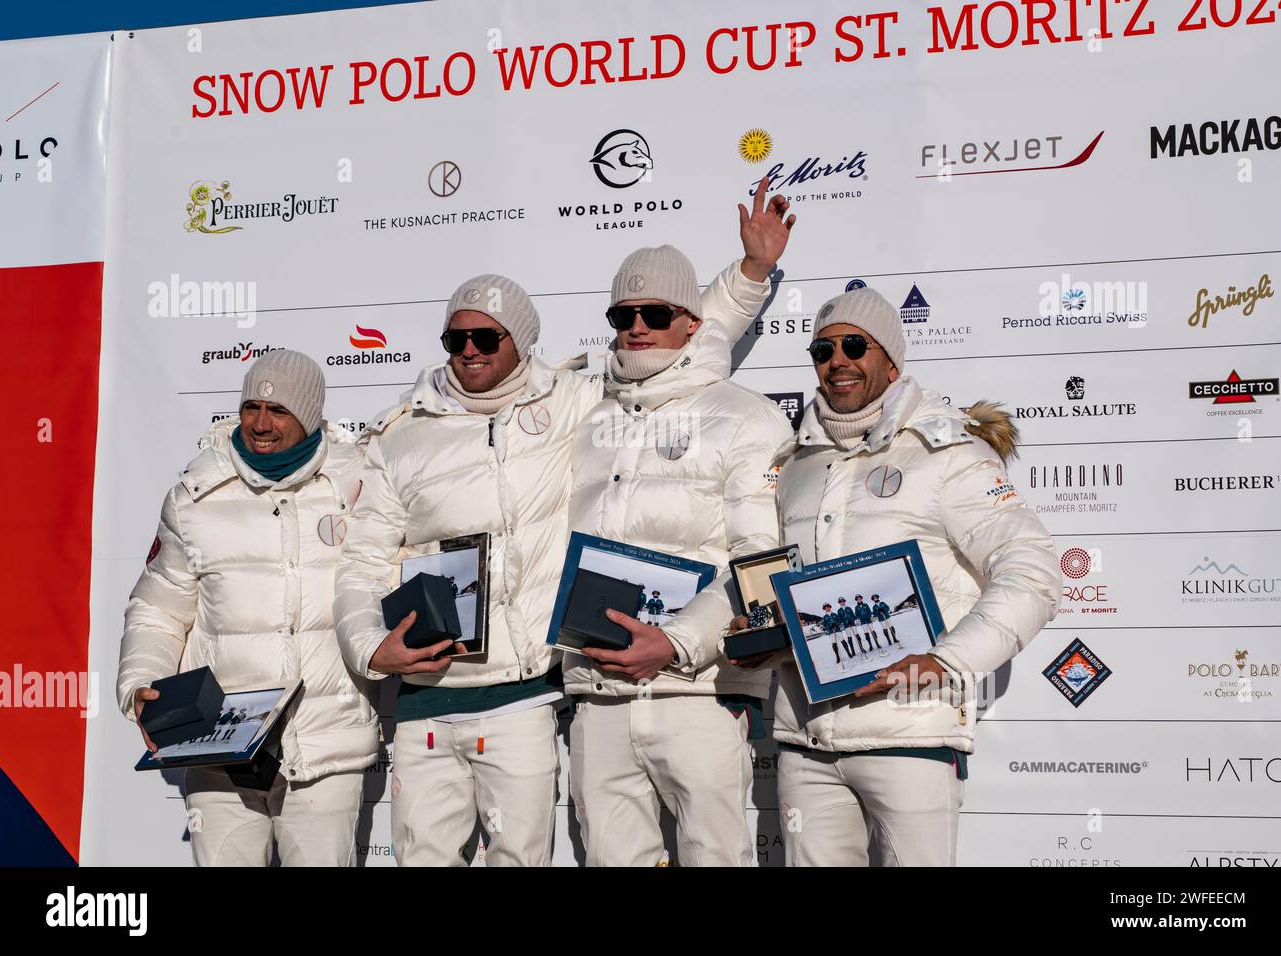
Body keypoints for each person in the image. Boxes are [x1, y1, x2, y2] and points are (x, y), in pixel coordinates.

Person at [335, 181, 794, 867]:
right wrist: (370, 648)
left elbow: (685, 345)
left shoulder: (585, 401)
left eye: (486, 336)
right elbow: (361, 562)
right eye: (455, 337)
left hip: (644, 688)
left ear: (518, 342)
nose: (469, 349)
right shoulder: (420, 432)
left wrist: (751, 274)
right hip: (572, 692)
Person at [732, 287, 1060, 866]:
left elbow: (1032, 572)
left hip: (910, 736)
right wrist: (764, 635)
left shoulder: (950, 453)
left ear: (891, 360)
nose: (838, 361)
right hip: (804, 743)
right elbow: (793, 592)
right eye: (822, 349)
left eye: (855, 345)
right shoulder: (796, 465)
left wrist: (947, 661)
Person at [564, 234, 795, 867]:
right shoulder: (583, 414)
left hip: (701, 689)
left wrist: (677, 643)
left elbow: (761, 565)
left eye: (657, 314)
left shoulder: (746, 416)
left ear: (692, 323)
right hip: (596, 689)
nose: (637, 328)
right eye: (622, 316)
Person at [117, 350, 376, 867]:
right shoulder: (195, 496)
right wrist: (141, 681)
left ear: (307, 416)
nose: (261, 424)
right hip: (217, 746)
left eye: (278, 411)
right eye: (251, 406)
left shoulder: (360, 489)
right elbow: (157, 609)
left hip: (324, 745)